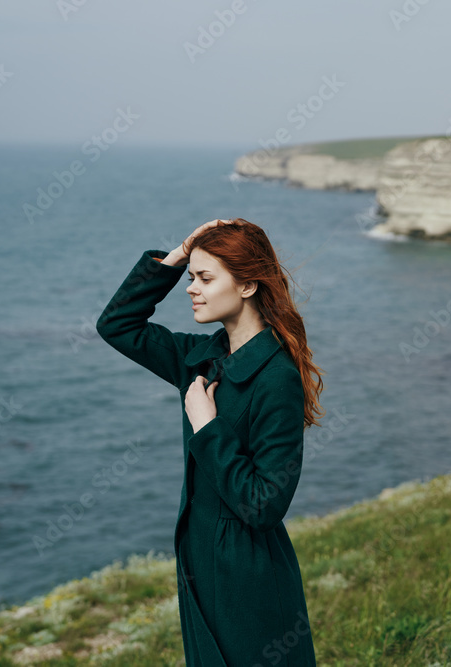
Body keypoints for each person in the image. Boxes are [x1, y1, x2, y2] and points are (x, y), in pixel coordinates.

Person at [95, 218, 324, 666]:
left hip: (247, 575)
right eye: (190, 277)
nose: (190, 288)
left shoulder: (277, 377)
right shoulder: (199, 359)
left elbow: (264, 505)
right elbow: (117, 324)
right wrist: (178, 255)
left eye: (204, 277)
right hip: (199, 556)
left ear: (246, 286)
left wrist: (207, 426)